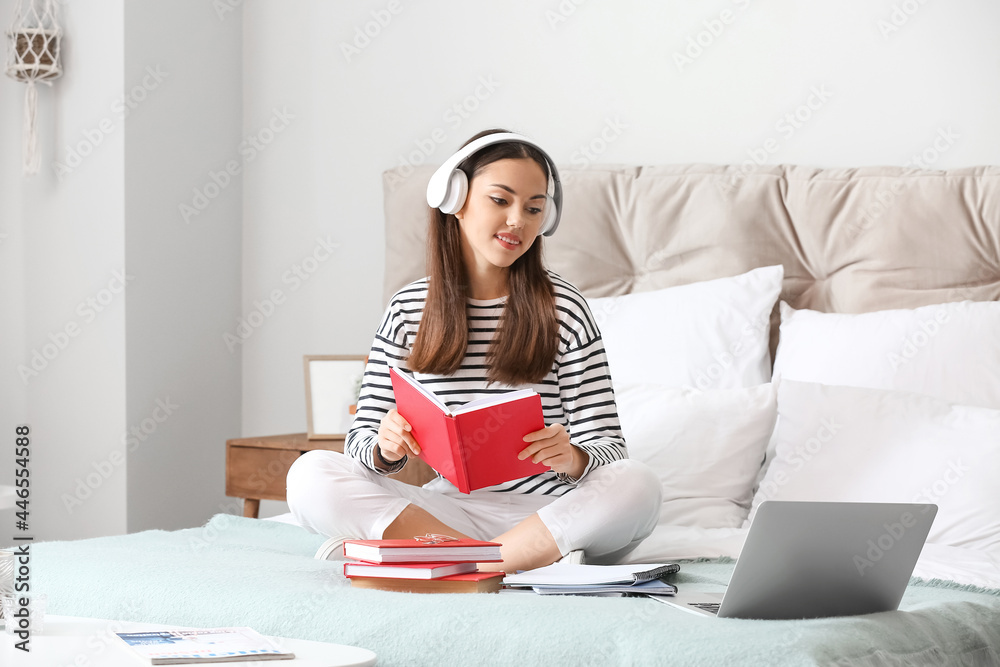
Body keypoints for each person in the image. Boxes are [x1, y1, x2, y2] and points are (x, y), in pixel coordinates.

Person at [287, 129, 661, 572]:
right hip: (448, 512)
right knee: (310, 474)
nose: (518, 220)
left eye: (534, 208)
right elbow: (361, 440)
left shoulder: (565, 307)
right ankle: (500, 561)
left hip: (553, 514)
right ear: (456, 200)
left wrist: (574, 456)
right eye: (500, 200)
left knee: (638, 483)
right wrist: (385, 446)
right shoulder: (409, 310)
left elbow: (609, 445)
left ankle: (462, 563)